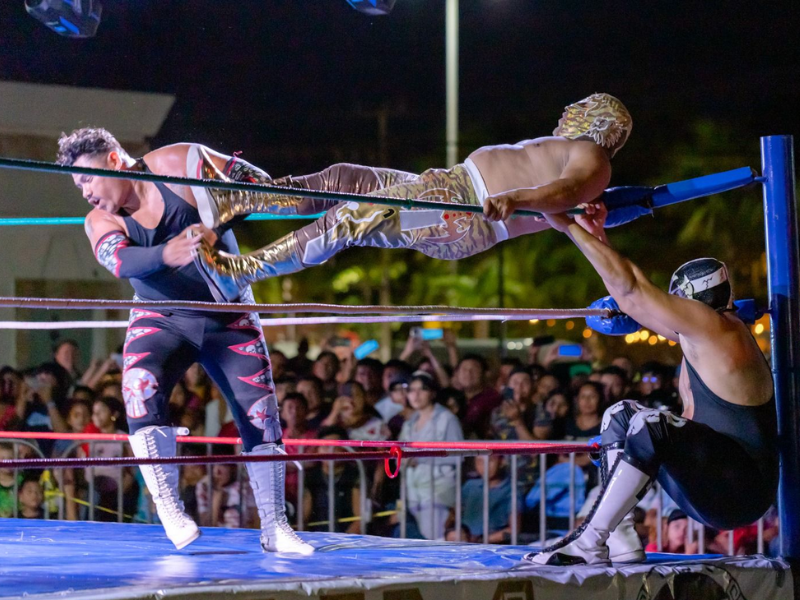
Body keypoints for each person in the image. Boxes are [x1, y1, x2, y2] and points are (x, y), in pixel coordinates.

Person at [58, 128, 312, 554]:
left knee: (261, 415)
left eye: (87, 179)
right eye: (77, 185)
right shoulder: (99, 219)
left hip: (227, 312)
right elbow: (119, 260)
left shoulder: (179, 164)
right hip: (161, 318)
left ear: (115, 162)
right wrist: (165, 253)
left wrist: (219, 222)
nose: (84, 192)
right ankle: (170, 510)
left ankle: (275, 526)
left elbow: (255, 185)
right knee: (138, 389)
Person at [191, 94, 636, 301]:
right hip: (454, 188)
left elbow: (566, 193)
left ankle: (241, 273)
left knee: (352, 219)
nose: (566, 111)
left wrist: (517, 198)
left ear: (598, 118)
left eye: (579, 107)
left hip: (463, 211)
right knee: (345, 178)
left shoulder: (593, 158)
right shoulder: (577, 152)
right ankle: (243, 200)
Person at [525, 204, 777, 566]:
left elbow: (632, 289)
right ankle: (619, 536)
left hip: (740, 487)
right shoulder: (701, 338)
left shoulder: (721, 330)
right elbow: (632, 298)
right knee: (621, 414)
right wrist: (596, 233)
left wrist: (564, 223)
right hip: (709, 481)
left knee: (652, 423)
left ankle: (590, 539)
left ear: (692, 301)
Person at [399, 372, 464, 540]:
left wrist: (419, 458)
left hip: (438, 490)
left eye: (422, 389)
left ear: (432, 393)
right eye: (412, 390)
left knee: (437, 540)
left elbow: (458, 455)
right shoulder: (410, 423)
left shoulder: (447, 419)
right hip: (414, 490)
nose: (416, 394)